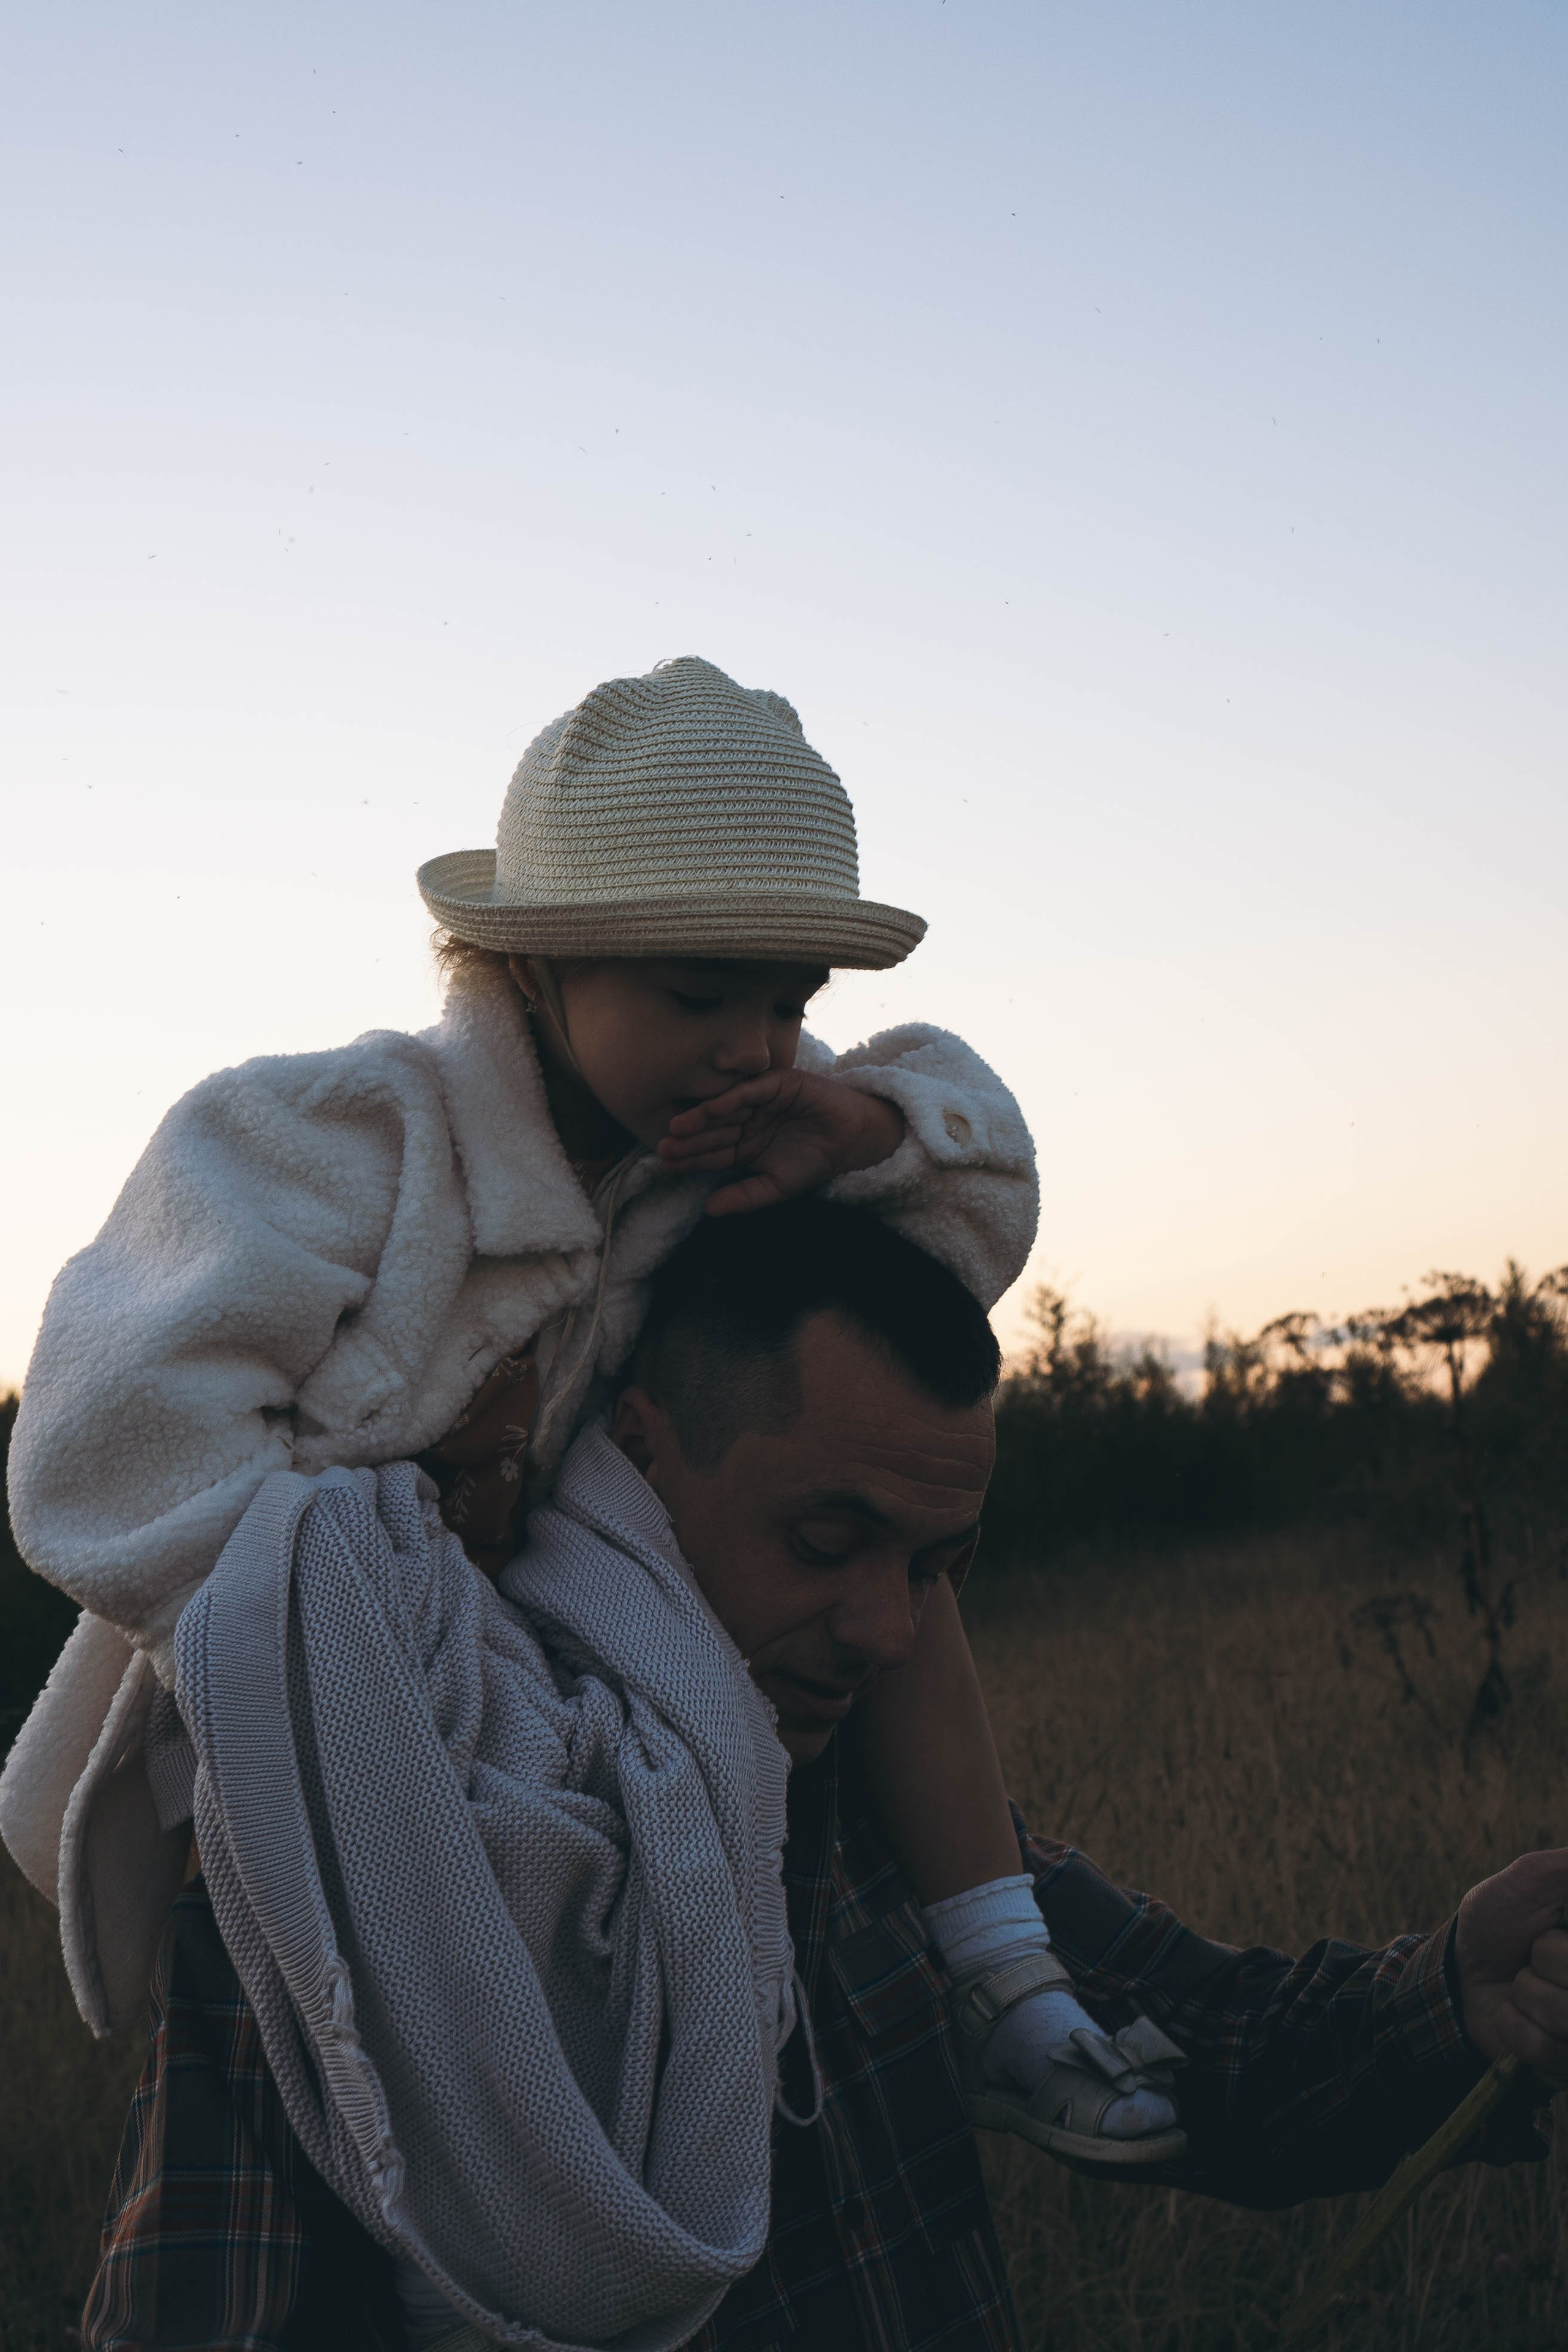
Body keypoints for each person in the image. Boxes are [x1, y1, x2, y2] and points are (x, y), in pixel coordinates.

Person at [4, 655, 1167, 2160]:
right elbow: (109, 1446)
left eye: (789, 1001)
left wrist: (864, 1131)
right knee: (395, 2144)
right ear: (537, 966)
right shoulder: (327, 1140)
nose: (754, 1045)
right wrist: (383, 1646)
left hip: (579, 1688)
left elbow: (960, 1234)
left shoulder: (727, 1146)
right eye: (698, 993)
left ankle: (1007, 1980)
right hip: (309, 1719)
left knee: (881, 1565)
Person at [80, 1201, 1567, 2352]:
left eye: (934, 1566)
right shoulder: (359, 1857)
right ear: (638, 1456)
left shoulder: (875, 1822)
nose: (884, 1632)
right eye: (824, 1541)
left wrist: (1454, 1993)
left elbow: (1203, 2051)